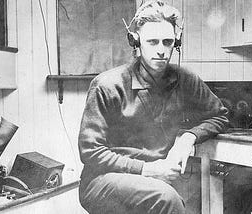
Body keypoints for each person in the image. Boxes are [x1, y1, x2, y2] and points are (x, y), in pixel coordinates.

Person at [78, 1, 228, 213]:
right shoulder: (107, 85)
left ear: (176, 43)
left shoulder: (184, 79)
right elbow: (90, 152)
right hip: (102, 180)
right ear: (136, 42)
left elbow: (219, 115)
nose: (161, 50)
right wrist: (147, 170)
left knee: (189, 200)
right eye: (152, 42)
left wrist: (188, 138)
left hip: (153, 178)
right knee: (167, 199)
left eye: (167, 42)